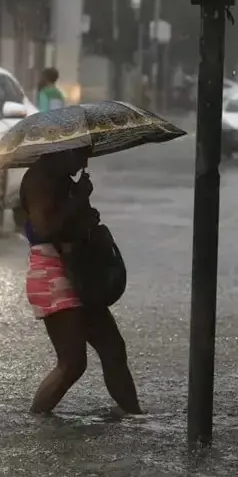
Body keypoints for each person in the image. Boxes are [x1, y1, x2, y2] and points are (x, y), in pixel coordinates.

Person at [19, 148, 143, 415]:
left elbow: (68, 222)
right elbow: (44, 228)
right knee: (72, 363)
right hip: (53, 274)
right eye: (80, 155)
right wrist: (79, 198)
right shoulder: (39, 179)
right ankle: (36, 423)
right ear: (62, 150)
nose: (84, 162)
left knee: (113, 349)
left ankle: (136, 418)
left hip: (77, 271)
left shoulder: (61, 177)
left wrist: (86, 216)